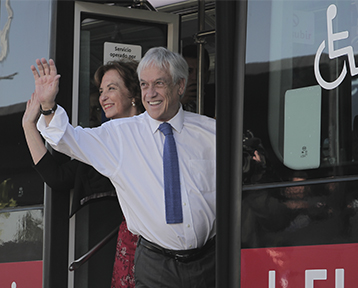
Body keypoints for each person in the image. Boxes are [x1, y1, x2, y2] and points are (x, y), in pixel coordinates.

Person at [31, 47, 216, 287]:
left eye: (159, 83)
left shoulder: (211, 132)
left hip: (210, 262)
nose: (150, 94)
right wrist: (48, 105)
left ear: (180, 86)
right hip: (156, 265)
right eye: (144, 84)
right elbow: (67, 139)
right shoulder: (119, 136)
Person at [22, 60, 143, 287]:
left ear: (134, 93)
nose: (103, 97)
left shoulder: (152, 134)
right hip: (111, 249)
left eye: (112, 88)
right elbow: (57, 176)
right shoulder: (99, 141)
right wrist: (30, 124)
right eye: (101, 91)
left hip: (155, 253)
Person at [181, 45, 215, 118]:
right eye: (189, 71)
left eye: (201, 71)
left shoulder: (217, 103)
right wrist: (179, 102)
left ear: (208, 75)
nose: (194, 77)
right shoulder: (169, 101)